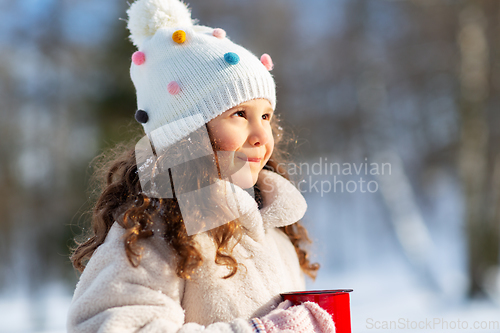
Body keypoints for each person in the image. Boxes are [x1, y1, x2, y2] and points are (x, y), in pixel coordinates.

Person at [67, 0, 337, 332]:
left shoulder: (276, 230)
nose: (260, 135)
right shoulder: (156, 229)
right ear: (186, 131)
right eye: (239, 115)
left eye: (265, 116)